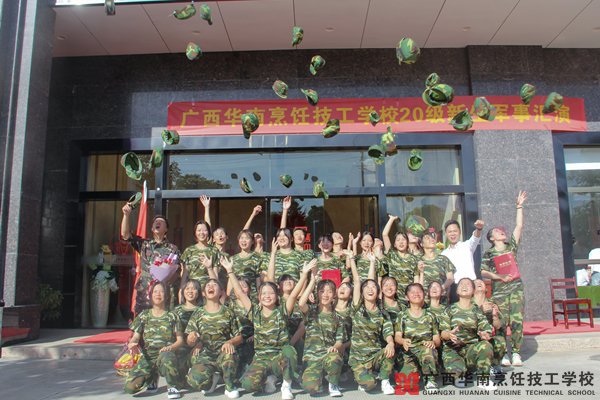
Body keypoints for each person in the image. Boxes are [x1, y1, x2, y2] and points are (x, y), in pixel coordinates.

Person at [226, 253, 317, 400]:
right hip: (261, 358)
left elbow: (294, 295)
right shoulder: (255, 312)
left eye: (271, 293)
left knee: (289, 351)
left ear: (277, 295)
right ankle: (269, 378)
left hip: (279, 356)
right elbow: (240, 293)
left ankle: (286, 385)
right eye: (264, 293)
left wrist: (305, 274)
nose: (267, 296)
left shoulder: (282, 311)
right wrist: (230, 271)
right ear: (259, 296)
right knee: (248, 385)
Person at [481, 190, 527, 367]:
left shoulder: (510, 248)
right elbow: (483, 271)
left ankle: (516, 352)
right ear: (492, 238)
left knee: (516, 321)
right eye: (497, 232)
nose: (501, 232)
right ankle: (502, 354)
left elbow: (519, 227)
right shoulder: (489, 254)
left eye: (501, 231)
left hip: (515, 290)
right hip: (499, 293)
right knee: (499, 322)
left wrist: (519, 207)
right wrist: (498, 276)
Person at [124, 281, 185, 399]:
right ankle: (152, 377)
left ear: (166, 296)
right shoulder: (144, 315)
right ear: (151, 295)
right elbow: (136, 336)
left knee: (167, 358)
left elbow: (180, 340)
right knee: (130, 388)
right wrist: (133, 343)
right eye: (155, 291)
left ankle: (173, 386)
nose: (158, 294)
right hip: (148, 357)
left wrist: (170, 347)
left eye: (161, 291)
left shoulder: (173, 316)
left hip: (166, 354)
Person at [186, 278, 243, 399]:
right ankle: (212, 379)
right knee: (194, 381)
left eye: (214, 285)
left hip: (223, 354)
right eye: (208, 285)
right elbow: (189, 341)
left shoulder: (228, 312)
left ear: (221, 292)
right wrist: (191, 339)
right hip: (206, 356)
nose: (211, 287)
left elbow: (240, 337)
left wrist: (230, 342)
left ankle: (229, 385)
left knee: (229, 354)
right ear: (203, 293)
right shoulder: (198, 313)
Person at [348, 252, 396, 394]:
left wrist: (390, 343)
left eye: (374, 287)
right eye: (367, 288)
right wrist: (352, 259)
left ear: (378, 292)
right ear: (362, 292)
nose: (370, 289)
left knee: (389, 350)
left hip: (375, 356)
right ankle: (365, 377)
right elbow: (357, 281)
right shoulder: (357, 308)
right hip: (358, 359)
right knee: (369, 384)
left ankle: (385, 381)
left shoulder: (382, 312)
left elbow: (388, 332)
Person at [121, 204, 180, 315]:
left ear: (166, 229)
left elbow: (176, 273)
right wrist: (126, 215)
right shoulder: (144, 244)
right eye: (155, 222)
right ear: (152, 228)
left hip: (163, 295)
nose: (158, 223)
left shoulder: (173, 249)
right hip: (145, 294)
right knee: (142, 322)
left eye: (161, 222)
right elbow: (125, 235)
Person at [439, 278, 496, 391]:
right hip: (453, 350)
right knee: (456, 373)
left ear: (473, 291)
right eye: (461, 284)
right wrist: (449, 335)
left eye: (468, 284)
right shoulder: (449, 309)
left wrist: (485, 334)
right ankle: (459, 371)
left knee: (486, 345)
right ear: (457, 290)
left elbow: (485, 328)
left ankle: (483, 378)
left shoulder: (477, 310)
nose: (464, 286)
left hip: (470, 349)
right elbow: (443, 333)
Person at [297, 276, 344, 397]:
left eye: (329, 291)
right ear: (317, 293)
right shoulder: (311, 312)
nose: (325, 295)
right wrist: (312, 281)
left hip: (328, 356)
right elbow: (301, 303)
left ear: (334, 294)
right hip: (311, 359)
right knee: (311, 388)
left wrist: (335, 347)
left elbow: (339, 341)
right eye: (322, 291)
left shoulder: (338, 317)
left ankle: (333, 384)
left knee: (335, 358)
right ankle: (320, 379)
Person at [395, 283, 440, 390]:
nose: (416, 294)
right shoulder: (402, 315)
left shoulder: (430, 315)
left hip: (425, 351)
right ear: (407, 297)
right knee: (406, 385)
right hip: (408, 353)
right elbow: (397, 337)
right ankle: (416, 371)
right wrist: (403, 341)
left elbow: (437, 339)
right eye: (412, 292)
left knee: (428, 351)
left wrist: (433, 343)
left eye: (419, 291)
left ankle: (430, 380)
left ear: (424, 295)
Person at [441, 219, 484, 303]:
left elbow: (475, 237)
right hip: (455, 288)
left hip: (471, 285)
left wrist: (479, 229)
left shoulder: (467, 245)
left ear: (459, 232)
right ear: (446, 234)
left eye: (455, 231)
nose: (452, 234)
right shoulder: (444, 254)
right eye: (450, 232)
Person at [473, 279, 506, 376]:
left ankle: (495, 364)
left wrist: (495, 316)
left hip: (488, 337)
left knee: (500, 340)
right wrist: (480, 309)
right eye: (475, 283)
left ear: (486, 289)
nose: (479, 283)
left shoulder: (492, 304)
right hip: (472, 338)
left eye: (481, 282)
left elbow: (499, 326)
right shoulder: (467, 303)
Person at [414, 227, 455, 303]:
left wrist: (441, 288)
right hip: (425, 302)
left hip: (441, 301)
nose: (432, 239)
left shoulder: (443, 259)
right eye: (427, 238)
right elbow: (416, 283)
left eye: (433, 238)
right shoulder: (418, 261)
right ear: (421, 244)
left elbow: (450, 278)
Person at [382, 215, 418, 299]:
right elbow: (384, 234)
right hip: (393, 297)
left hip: (408, 297)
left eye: (403, 240)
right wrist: (391, 219)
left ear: (407, 243)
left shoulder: (414, 259)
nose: (401, 242)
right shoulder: (392, 255)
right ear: (394, 244)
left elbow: (416, 279)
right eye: (398, 240)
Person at [180, 219, 221, 292]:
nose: (202, 233)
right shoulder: (189, 251)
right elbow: (184, 274)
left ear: (208, 232)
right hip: (192, 291)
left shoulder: (214, 251)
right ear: (195, 233)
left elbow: (215, 276)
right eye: (199, 230)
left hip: (208, 291)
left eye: (205, 230)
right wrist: (181, 291)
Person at [227, 229, 263, 300]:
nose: (244, 241)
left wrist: (259, 296)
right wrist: (228, 295)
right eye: (241, 238)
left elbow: (258, 279)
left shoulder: (257, 258)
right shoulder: (233, 259)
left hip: (251, 297)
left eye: (247, 238)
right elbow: (230, 278)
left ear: (252, 241)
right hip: (235, 297)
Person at [280, 196, 316, 262]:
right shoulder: (289, 252)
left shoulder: (310, 253)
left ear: (305, 238)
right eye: (296, 234)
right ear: (292, 238)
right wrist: (285, 210)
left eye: (301, 234)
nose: (299, 236)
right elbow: (282, 231)